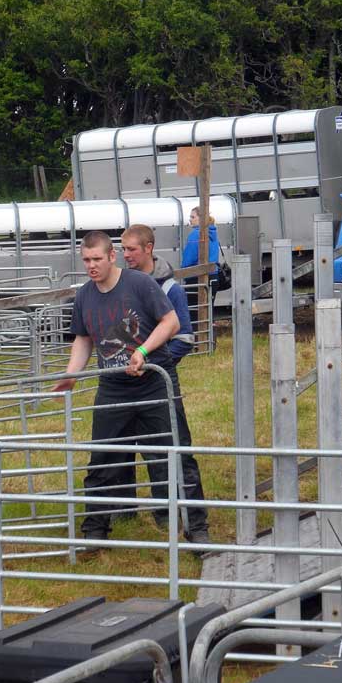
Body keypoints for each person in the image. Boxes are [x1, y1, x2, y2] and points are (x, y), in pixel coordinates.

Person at [53, 230, 180, 542]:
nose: (91, 265)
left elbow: (171, 322)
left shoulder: (140, 284)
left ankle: (184, 523)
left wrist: (142, 351)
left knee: (168, 454)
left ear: (112, 256)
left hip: (152, 382)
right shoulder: (84, 295)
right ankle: (95, 532)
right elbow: (83, 339)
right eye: (86, 260)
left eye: (97, 258)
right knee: (102, 459)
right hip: (112, 387)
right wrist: (71, 375)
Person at [120, 223, 209, 544]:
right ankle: (122, 508)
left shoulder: (170, 288)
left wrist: (156, 363)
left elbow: (184, 336)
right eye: (123, 249)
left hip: (156, 378)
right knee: (120, 444)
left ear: (148, 248)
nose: (125, 255)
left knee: (164, 443)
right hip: (124, 377)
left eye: (131, 249)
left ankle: (168, 511)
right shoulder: (122, 284)